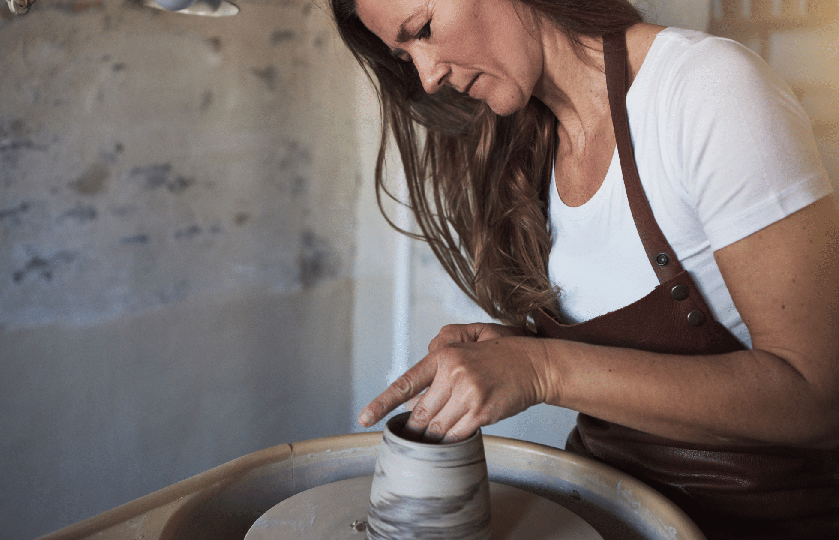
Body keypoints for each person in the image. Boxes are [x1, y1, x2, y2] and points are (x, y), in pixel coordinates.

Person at [331, 0, 839, 538]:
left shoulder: (706, 90)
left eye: (425, 29)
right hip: (607, 507)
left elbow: (822, 398)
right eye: (404, 56)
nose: (428, 77)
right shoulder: (527, 137)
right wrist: (510, 354)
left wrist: (542, 369)